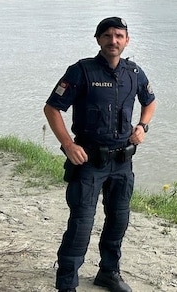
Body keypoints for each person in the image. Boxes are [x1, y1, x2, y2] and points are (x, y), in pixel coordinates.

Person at [43, 16, 156, 292]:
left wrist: (142, 126)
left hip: (122, 162)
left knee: (118, 221)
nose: (113, 40)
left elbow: (150, 101)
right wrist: (69, 145)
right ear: (98, 40)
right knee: (81, 225)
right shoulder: (81, 71)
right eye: (107, 35)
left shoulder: (135, 73)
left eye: (119, 35)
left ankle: (109, 272)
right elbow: (52, 108)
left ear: (127, 40)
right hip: (89, 162)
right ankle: (67, 284)